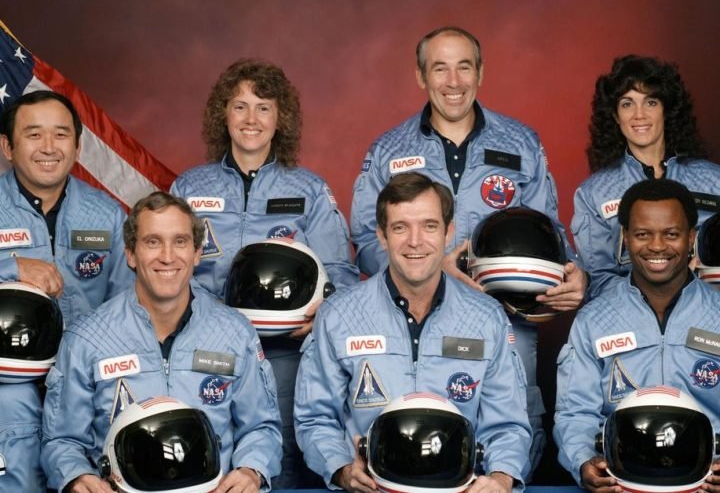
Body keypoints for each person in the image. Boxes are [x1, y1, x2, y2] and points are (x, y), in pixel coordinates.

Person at [350, 26, 586, 473]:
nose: (453, 81)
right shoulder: (388, 150)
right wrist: (430, 267)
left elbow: (550, 234)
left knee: (509, 442)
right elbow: (365, 241)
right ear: (421, 76)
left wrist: (573, 274)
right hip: (411, 320)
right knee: (421, 443)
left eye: (464, 66)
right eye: (440, 68)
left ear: (481, 72)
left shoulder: (522, 143)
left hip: (507, 320)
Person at [171, 58, 358, 488]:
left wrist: (319, 317)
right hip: (204, 353)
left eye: (263, 107)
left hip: (285, 356)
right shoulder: (189, 188)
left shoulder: (309, 189)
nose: (250, 119)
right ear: (223, 114)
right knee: (206, 458)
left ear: (281, 118)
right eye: (240, 106)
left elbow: (341, 275)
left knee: (284, 459)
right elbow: (164, 267)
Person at [295, 172, 532, 493]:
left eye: (429, 226)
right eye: (400, 227)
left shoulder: (487, 318)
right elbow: (315, 418)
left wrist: (501, 478)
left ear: (448, 232)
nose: (415, 241)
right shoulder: (338, 315)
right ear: (381, 236)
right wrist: (340, 468)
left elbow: (508, 425)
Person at [40, 192, 282, 493]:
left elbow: (261, 427)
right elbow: (61, 440)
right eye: (153, 241)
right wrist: (76, 475)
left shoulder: (235, 333)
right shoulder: (87, 338)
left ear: (196, 252)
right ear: (130, 254)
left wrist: (251, 469)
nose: (167, 256)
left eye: (180, 241)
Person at [0, 90, 133, 492]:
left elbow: (128, 305)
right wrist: (11, 266)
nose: (48, 148)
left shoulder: (106, 214)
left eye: (60, 135)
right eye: (33, 134)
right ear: (7, 146)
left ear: (76, 147)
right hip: (8, 394)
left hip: (88, 392)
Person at [554, 179, 720, 492]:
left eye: (671, 234)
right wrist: (582, 461)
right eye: (643, 234)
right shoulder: (594, 320)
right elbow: (575, 412)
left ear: (692, 238)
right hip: (622, 481)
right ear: (626, 238)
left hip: (704, 482)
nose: (657, 246)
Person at [572, 55, 720, 300]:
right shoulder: (594, 193)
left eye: (650, 102)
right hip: (632, 322)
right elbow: (598, 281)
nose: (639, 114)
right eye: (627, 104)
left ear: (666, 110)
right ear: (615, 116)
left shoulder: (713, 181)